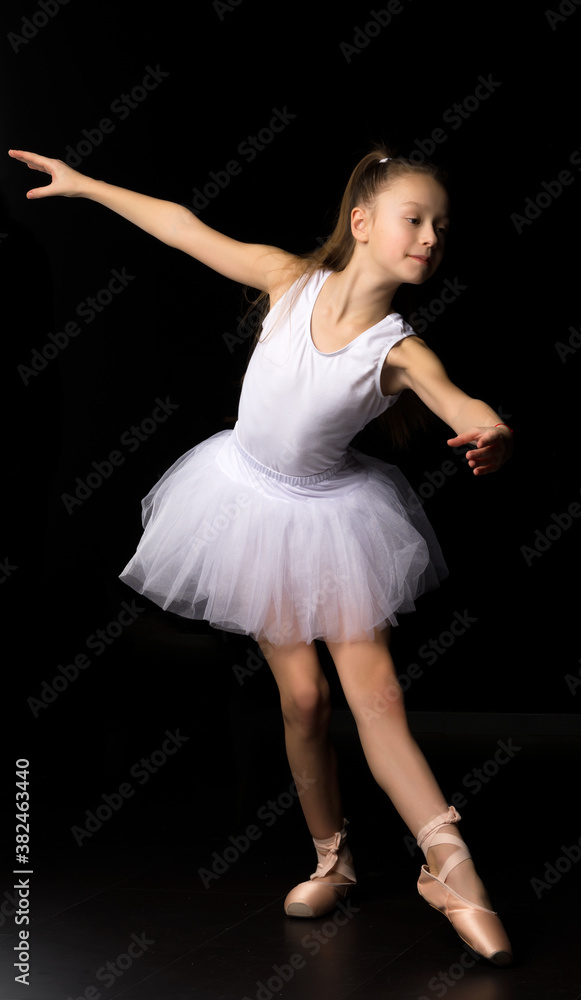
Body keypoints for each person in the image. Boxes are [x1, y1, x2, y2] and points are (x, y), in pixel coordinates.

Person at [10, 146, 514, 965]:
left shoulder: (398, 350)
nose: (430, 238)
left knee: (375, 696)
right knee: (305, 702)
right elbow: (183, 228)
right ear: (362, 224)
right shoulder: (289, 280)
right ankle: (333, 859)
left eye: (441, 229)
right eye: (413, 220)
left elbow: (459, 399)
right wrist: (88, 183)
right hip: (249, 507)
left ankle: (453, 869)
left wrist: (491, 430)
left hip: (333, 520)